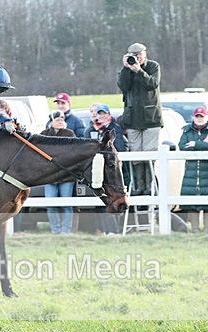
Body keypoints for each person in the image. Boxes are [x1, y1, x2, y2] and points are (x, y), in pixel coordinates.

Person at [118, 42, 163, 196]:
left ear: (145, 53)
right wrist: (126, 69)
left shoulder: (153, 66)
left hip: (151, 118)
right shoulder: (126, 69)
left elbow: (153, 84)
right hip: (132, 118)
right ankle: (139, 186)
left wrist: (139, 71)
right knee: (136, 154)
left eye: (139, 54)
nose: (137, 57)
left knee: (149, 153)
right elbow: (123, 86)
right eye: (134, 55)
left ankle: (150, 186)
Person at [84, 104, 125, 235]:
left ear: (109, 115)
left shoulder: (115, 129)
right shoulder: (90, 129)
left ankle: (113, 230)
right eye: (99, 114)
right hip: (95, 170)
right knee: (99, 199)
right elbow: (86, 147)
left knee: (111, 198)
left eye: (104, 113)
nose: (101, 116)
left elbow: (119, 147)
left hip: (111, 170)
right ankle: (104, 230)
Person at [179, 106, 208, 232]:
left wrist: (196, 144)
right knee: (192, 201)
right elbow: (182, 146)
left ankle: (207, 229)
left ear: (206, 117)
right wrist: (204, 145)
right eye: (197, 116)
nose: (199, 119)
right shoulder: (187, 131)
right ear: (193, 117)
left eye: (201, 116)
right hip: (191, 171)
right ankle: (195, 229)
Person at [40, 111, 75, 234]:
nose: (60, 122)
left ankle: (66, 231)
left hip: (66, 175)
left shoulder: (70, 134)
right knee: (50, 204)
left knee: (67, 204)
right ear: (51, 122)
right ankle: (55, 230)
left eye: (62, 119)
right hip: (49, 175)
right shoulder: (44, 134)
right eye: (57, 119)